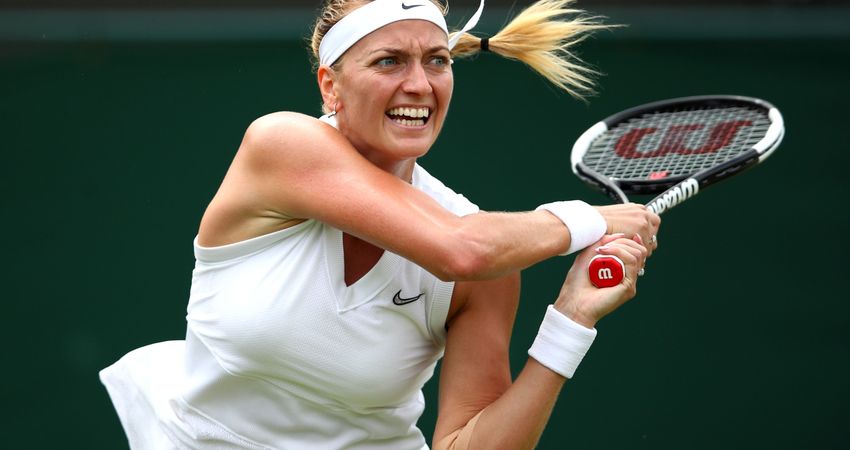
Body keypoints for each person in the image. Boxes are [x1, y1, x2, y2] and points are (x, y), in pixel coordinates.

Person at [100, 0, 661, 449]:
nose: (419, 84)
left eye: (437, 61)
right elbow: (462, 250)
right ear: (330, 87)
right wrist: (590, 219)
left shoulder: (491, 252)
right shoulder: (281, 144)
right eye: (389, 61)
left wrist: (571, 319)